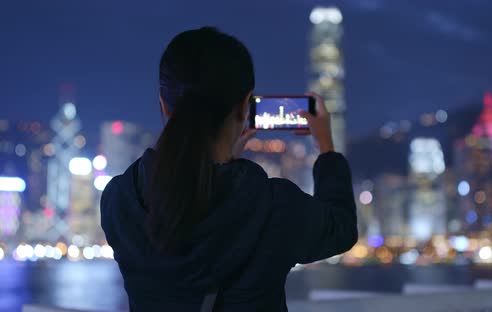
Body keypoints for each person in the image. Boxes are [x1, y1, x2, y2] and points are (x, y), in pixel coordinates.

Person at [100, 27, 357, 312]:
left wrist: (223, 165)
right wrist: (326, 146)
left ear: (163, 105)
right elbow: (341, 227)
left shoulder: (121, 199)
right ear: (245, 106)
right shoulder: (274, 207)